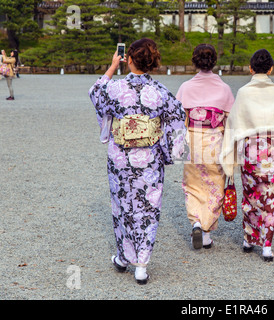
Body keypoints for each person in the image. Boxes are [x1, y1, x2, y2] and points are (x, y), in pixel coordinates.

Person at [89, 38, 187, 285]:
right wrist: (171, 152)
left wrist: (112, 67)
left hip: (121, 158)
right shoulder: (160, 91)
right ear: (152, 62)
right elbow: (177, 116)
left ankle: (124, 256)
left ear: (128, 59)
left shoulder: (115, 89)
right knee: (147, 208)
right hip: (149, 159)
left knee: (122, 205)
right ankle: (141, 264)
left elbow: (95, 93)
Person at [219, 49, 274, 262]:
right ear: (271, 69)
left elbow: (234, 123)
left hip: (250, 151)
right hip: (273, 150)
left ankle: (249, 239)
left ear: (251, 68)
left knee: (250, 194)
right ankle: (267, 245)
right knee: (270, 197)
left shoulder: (243, 92)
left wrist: (230, 153)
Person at [176, 44, 235, 250]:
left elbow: (177, 120)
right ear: (214, 62)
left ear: (194, 61)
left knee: (192, 185)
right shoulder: (224, 89)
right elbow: (230, 122)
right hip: (214, 142)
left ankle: (197, 223)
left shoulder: (186, 87)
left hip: (192, 140)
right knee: (215, 185)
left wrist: (177, 149)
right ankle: (207, 233)